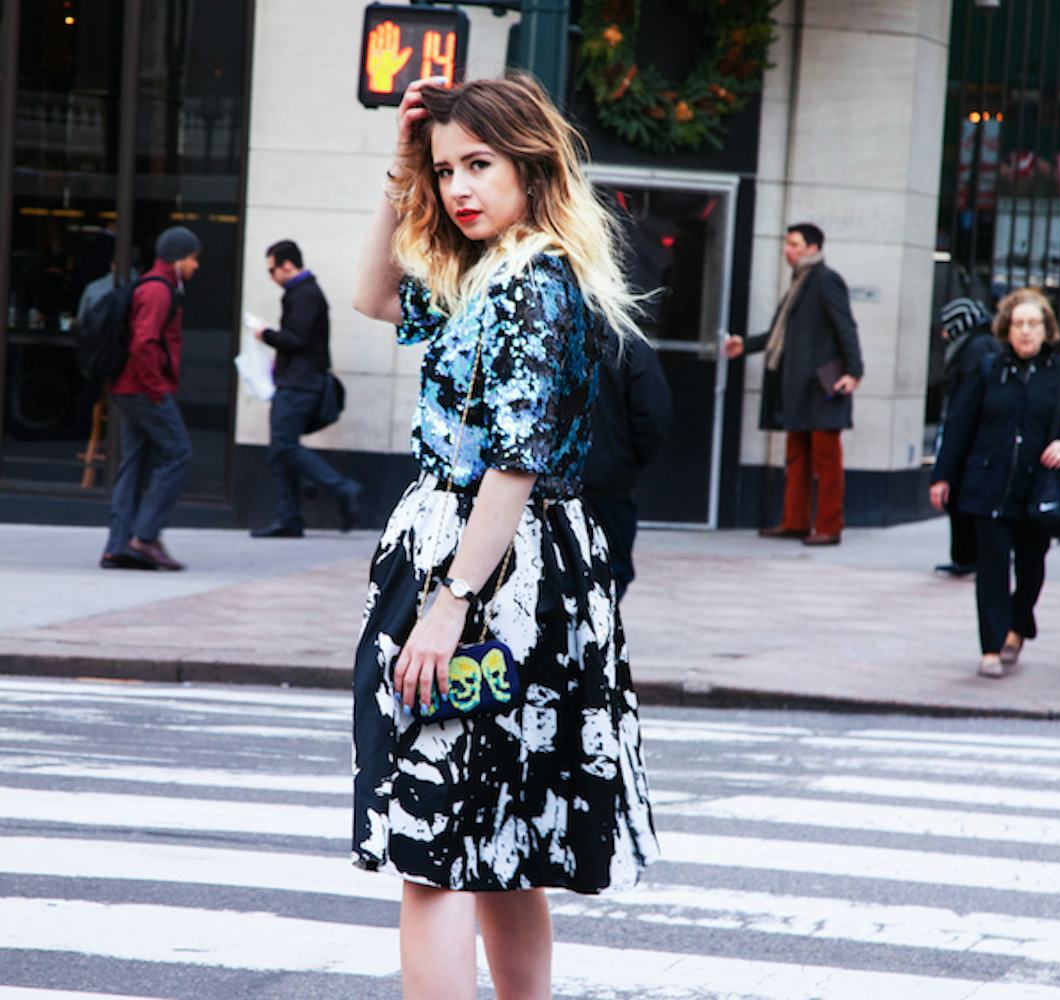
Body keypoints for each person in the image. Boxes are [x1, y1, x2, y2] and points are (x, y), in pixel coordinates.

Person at [350, 74, 659, 1000]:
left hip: (488, 571)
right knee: (503, 840)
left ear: (531, 166)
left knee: (432, 845)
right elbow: (372, 297)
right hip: (511, 566)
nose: (459, 188)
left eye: (478, 164)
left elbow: (512, 469)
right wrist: (401, 174)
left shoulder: (531, 282)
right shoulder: (493, 271)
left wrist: (447, 609)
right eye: (447, 170)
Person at [930, 287, 1060, 677]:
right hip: (988, 484)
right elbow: (960, 425)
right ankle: (990, 645)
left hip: (1037, 487)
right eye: (1018, 324)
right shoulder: (988, 370)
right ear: (1006, 329)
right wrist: (942, 476)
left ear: (1046, 331)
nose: (1025, 332)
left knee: (1030, 566)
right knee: (991, 566)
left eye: (1033, 324)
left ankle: (1019, 623)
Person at [723, 222, 864, 545]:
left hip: (822, 386)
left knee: (826, 461)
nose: (788, 250)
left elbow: (847, 328)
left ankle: (829, 527)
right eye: (787, 244)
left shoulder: (826, 280)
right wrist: (745, 345)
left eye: (795, 245)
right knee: (797, 457)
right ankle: (795, 521)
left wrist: (854, 372)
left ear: (813, 248)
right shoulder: (800, 281)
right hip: (798, 386)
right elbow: (779, 334)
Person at [99, 226, 201, 572]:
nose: (195, 266)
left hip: (129, 388)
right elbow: (144, 343)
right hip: (144, 390)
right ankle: (144, 537)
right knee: (179, 453)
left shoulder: (154, 286)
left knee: (135, 463)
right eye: (192, 258)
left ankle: (118, 546)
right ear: (175, 258)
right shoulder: (158, 291)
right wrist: (157, 390)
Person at [251, 239, 362, 537]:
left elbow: (296, 338)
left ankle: (342, 489)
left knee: (283, 447)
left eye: (271, 269)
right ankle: (289, 519)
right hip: (297, 382)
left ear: (287, 265)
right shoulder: (301, 293)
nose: (271, 276)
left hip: (300, 384)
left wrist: (266, 335)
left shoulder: (305, 294)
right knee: (280, 450)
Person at [582, 327, 673, 601]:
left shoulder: (550, 331)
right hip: (607, 480)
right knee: (611, 572)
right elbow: (654, 415)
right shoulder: (627, 342)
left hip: (552, 483)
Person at [934, 297, 1001, 577]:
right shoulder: (979, 346)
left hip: (972, 438)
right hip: (974, 436)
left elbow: (966, 402)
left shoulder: (975, 349)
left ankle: (967, 557)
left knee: (961, 496)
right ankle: (966, 556)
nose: (943, 334)